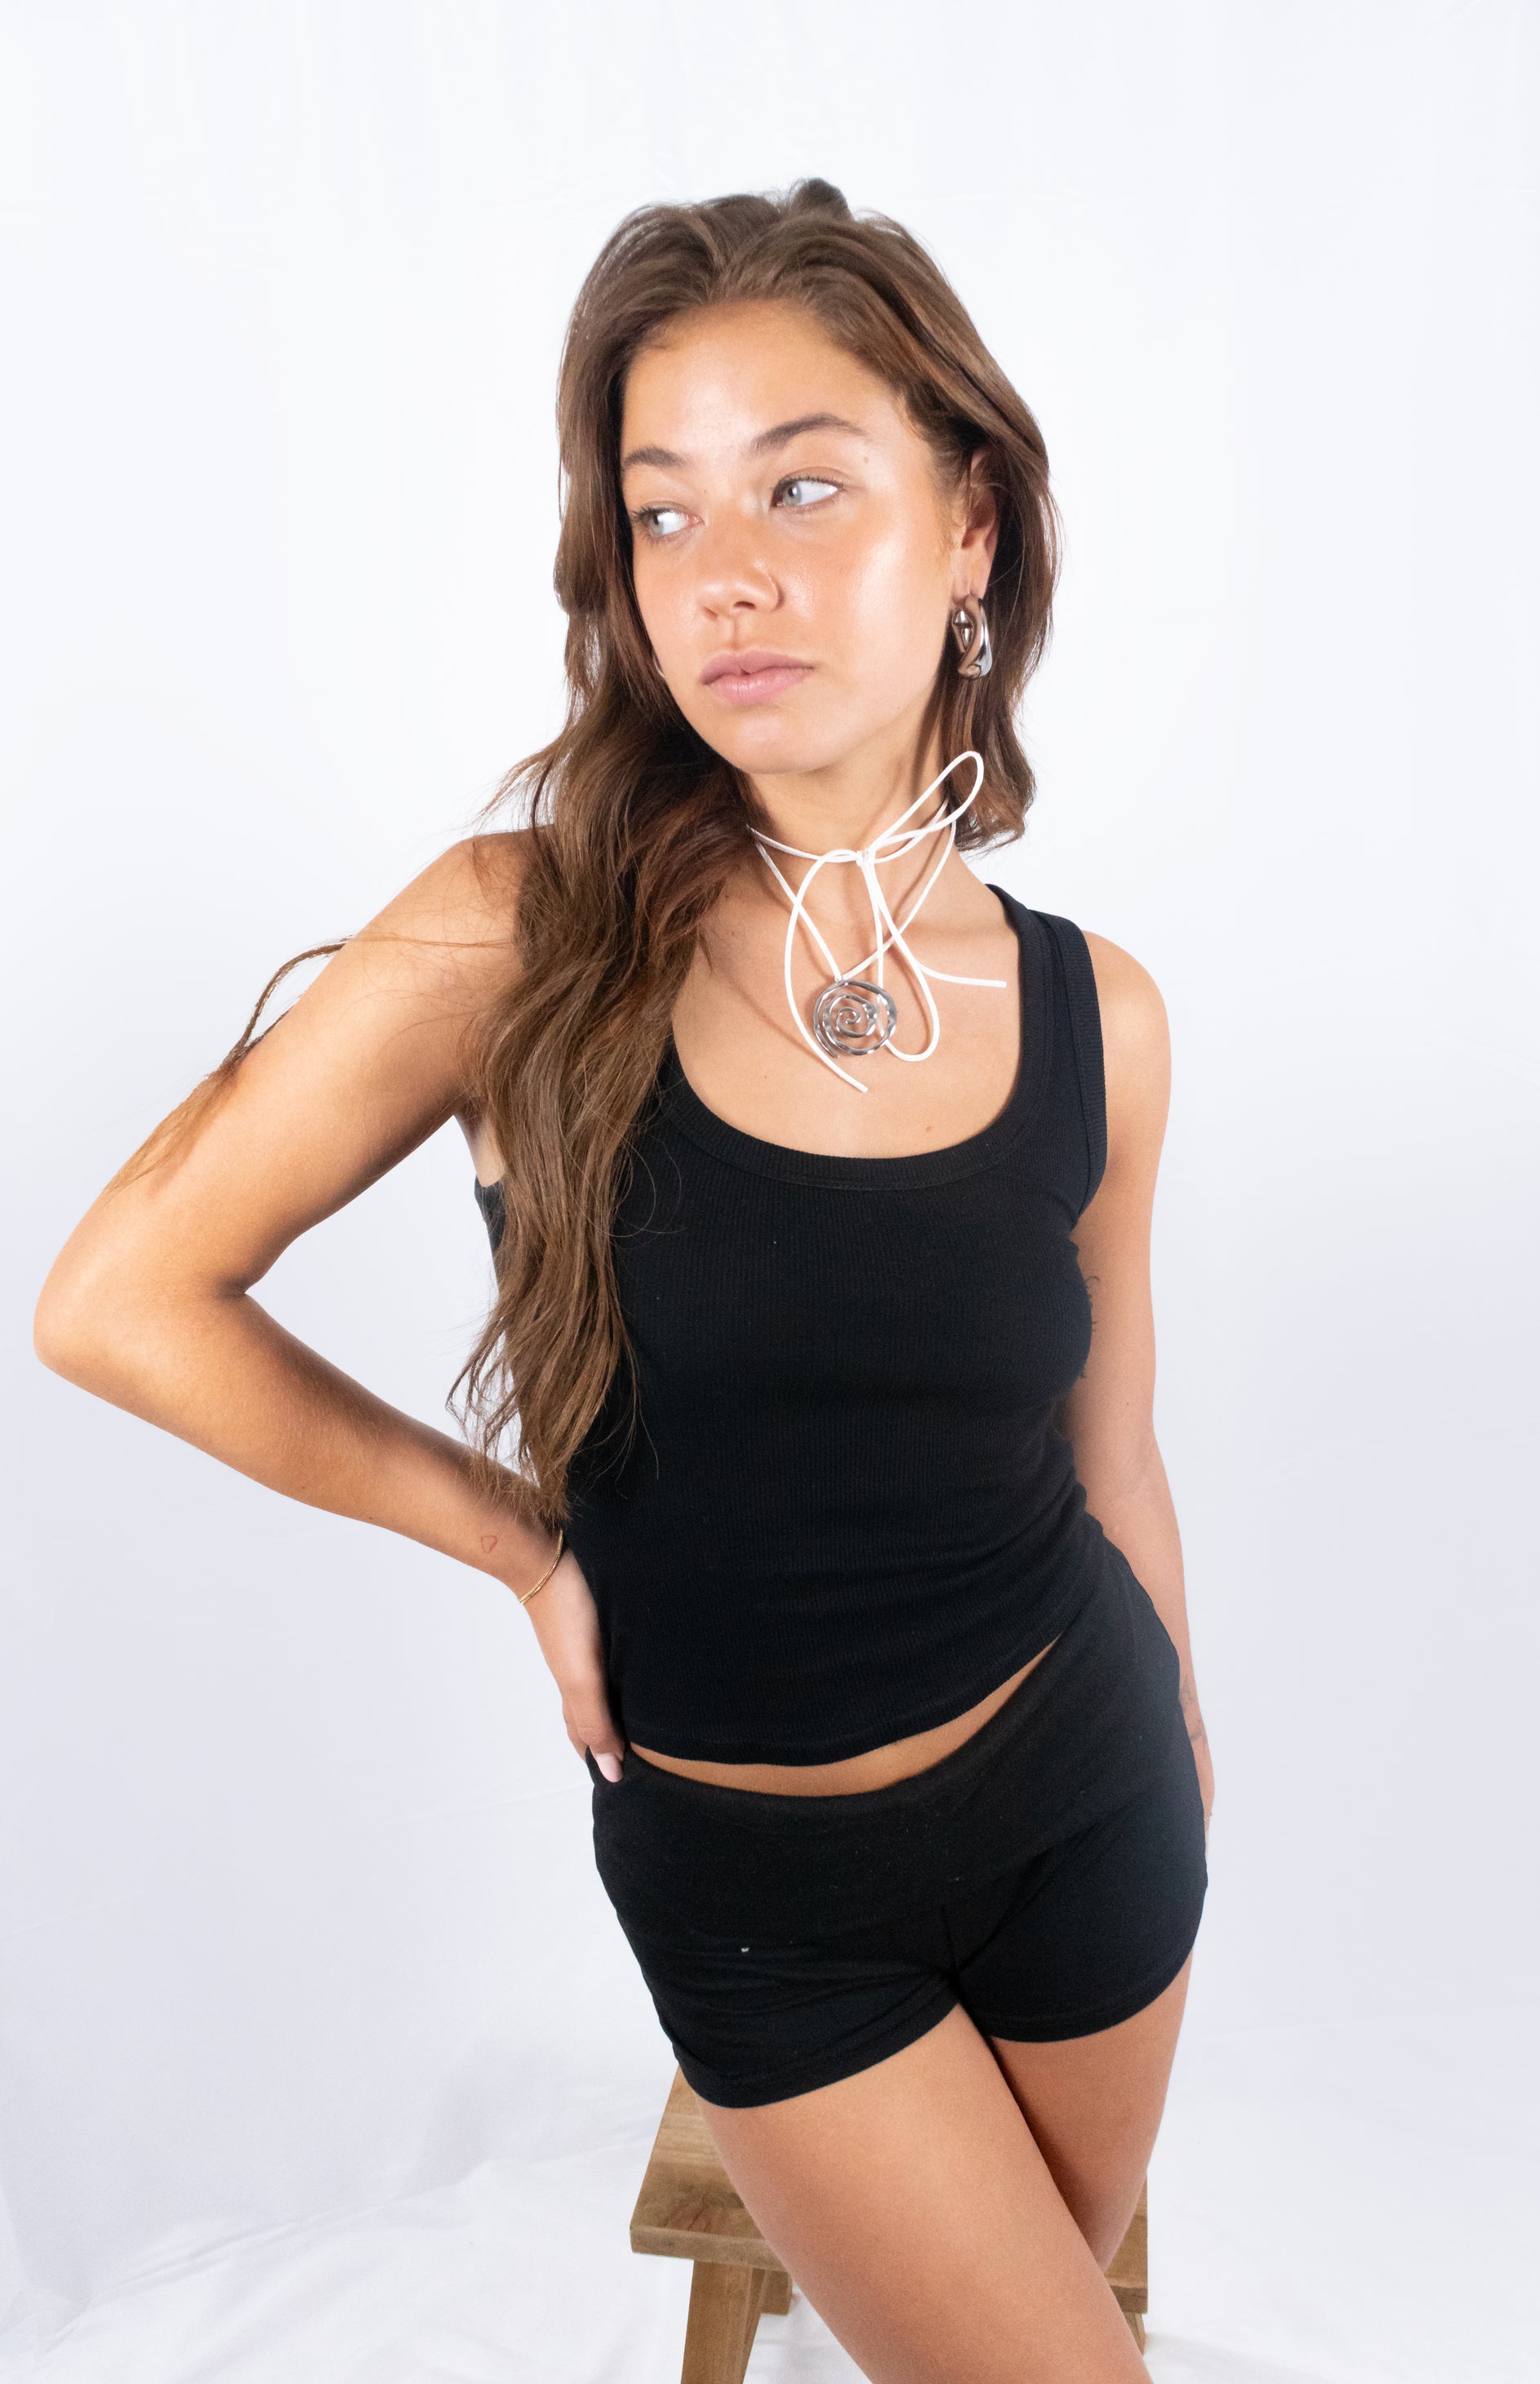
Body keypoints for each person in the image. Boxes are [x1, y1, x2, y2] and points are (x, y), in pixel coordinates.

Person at [35, 180, 1214, 2382]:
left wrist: (1184, 1749)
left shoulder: (1100, 1014)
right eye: (663, 512)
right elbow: (120, 1301)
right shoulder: (515, 934)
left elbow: (1113, 1454)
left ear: (970, 526)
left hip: (1093, 1805)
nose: (723, 571)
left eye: (802, 486)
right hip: (768, 1904)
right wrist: (519, 1547)